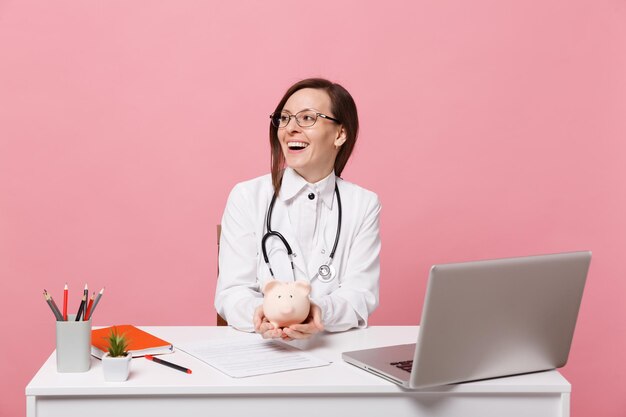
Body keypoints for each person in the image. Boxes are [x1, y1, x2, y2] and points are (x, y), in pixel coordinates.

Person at [214, 78, 381, 340]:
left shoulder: (363, 204)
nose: (290, 128)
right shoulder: (247, 197)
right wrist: (262, 313)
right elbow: (232, 291)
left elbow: (360, 295)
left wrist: (317, 311)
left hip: (330, 351)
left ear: (340, 134)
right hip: (260, 351)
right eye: (285, 118)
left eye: (306, 118)